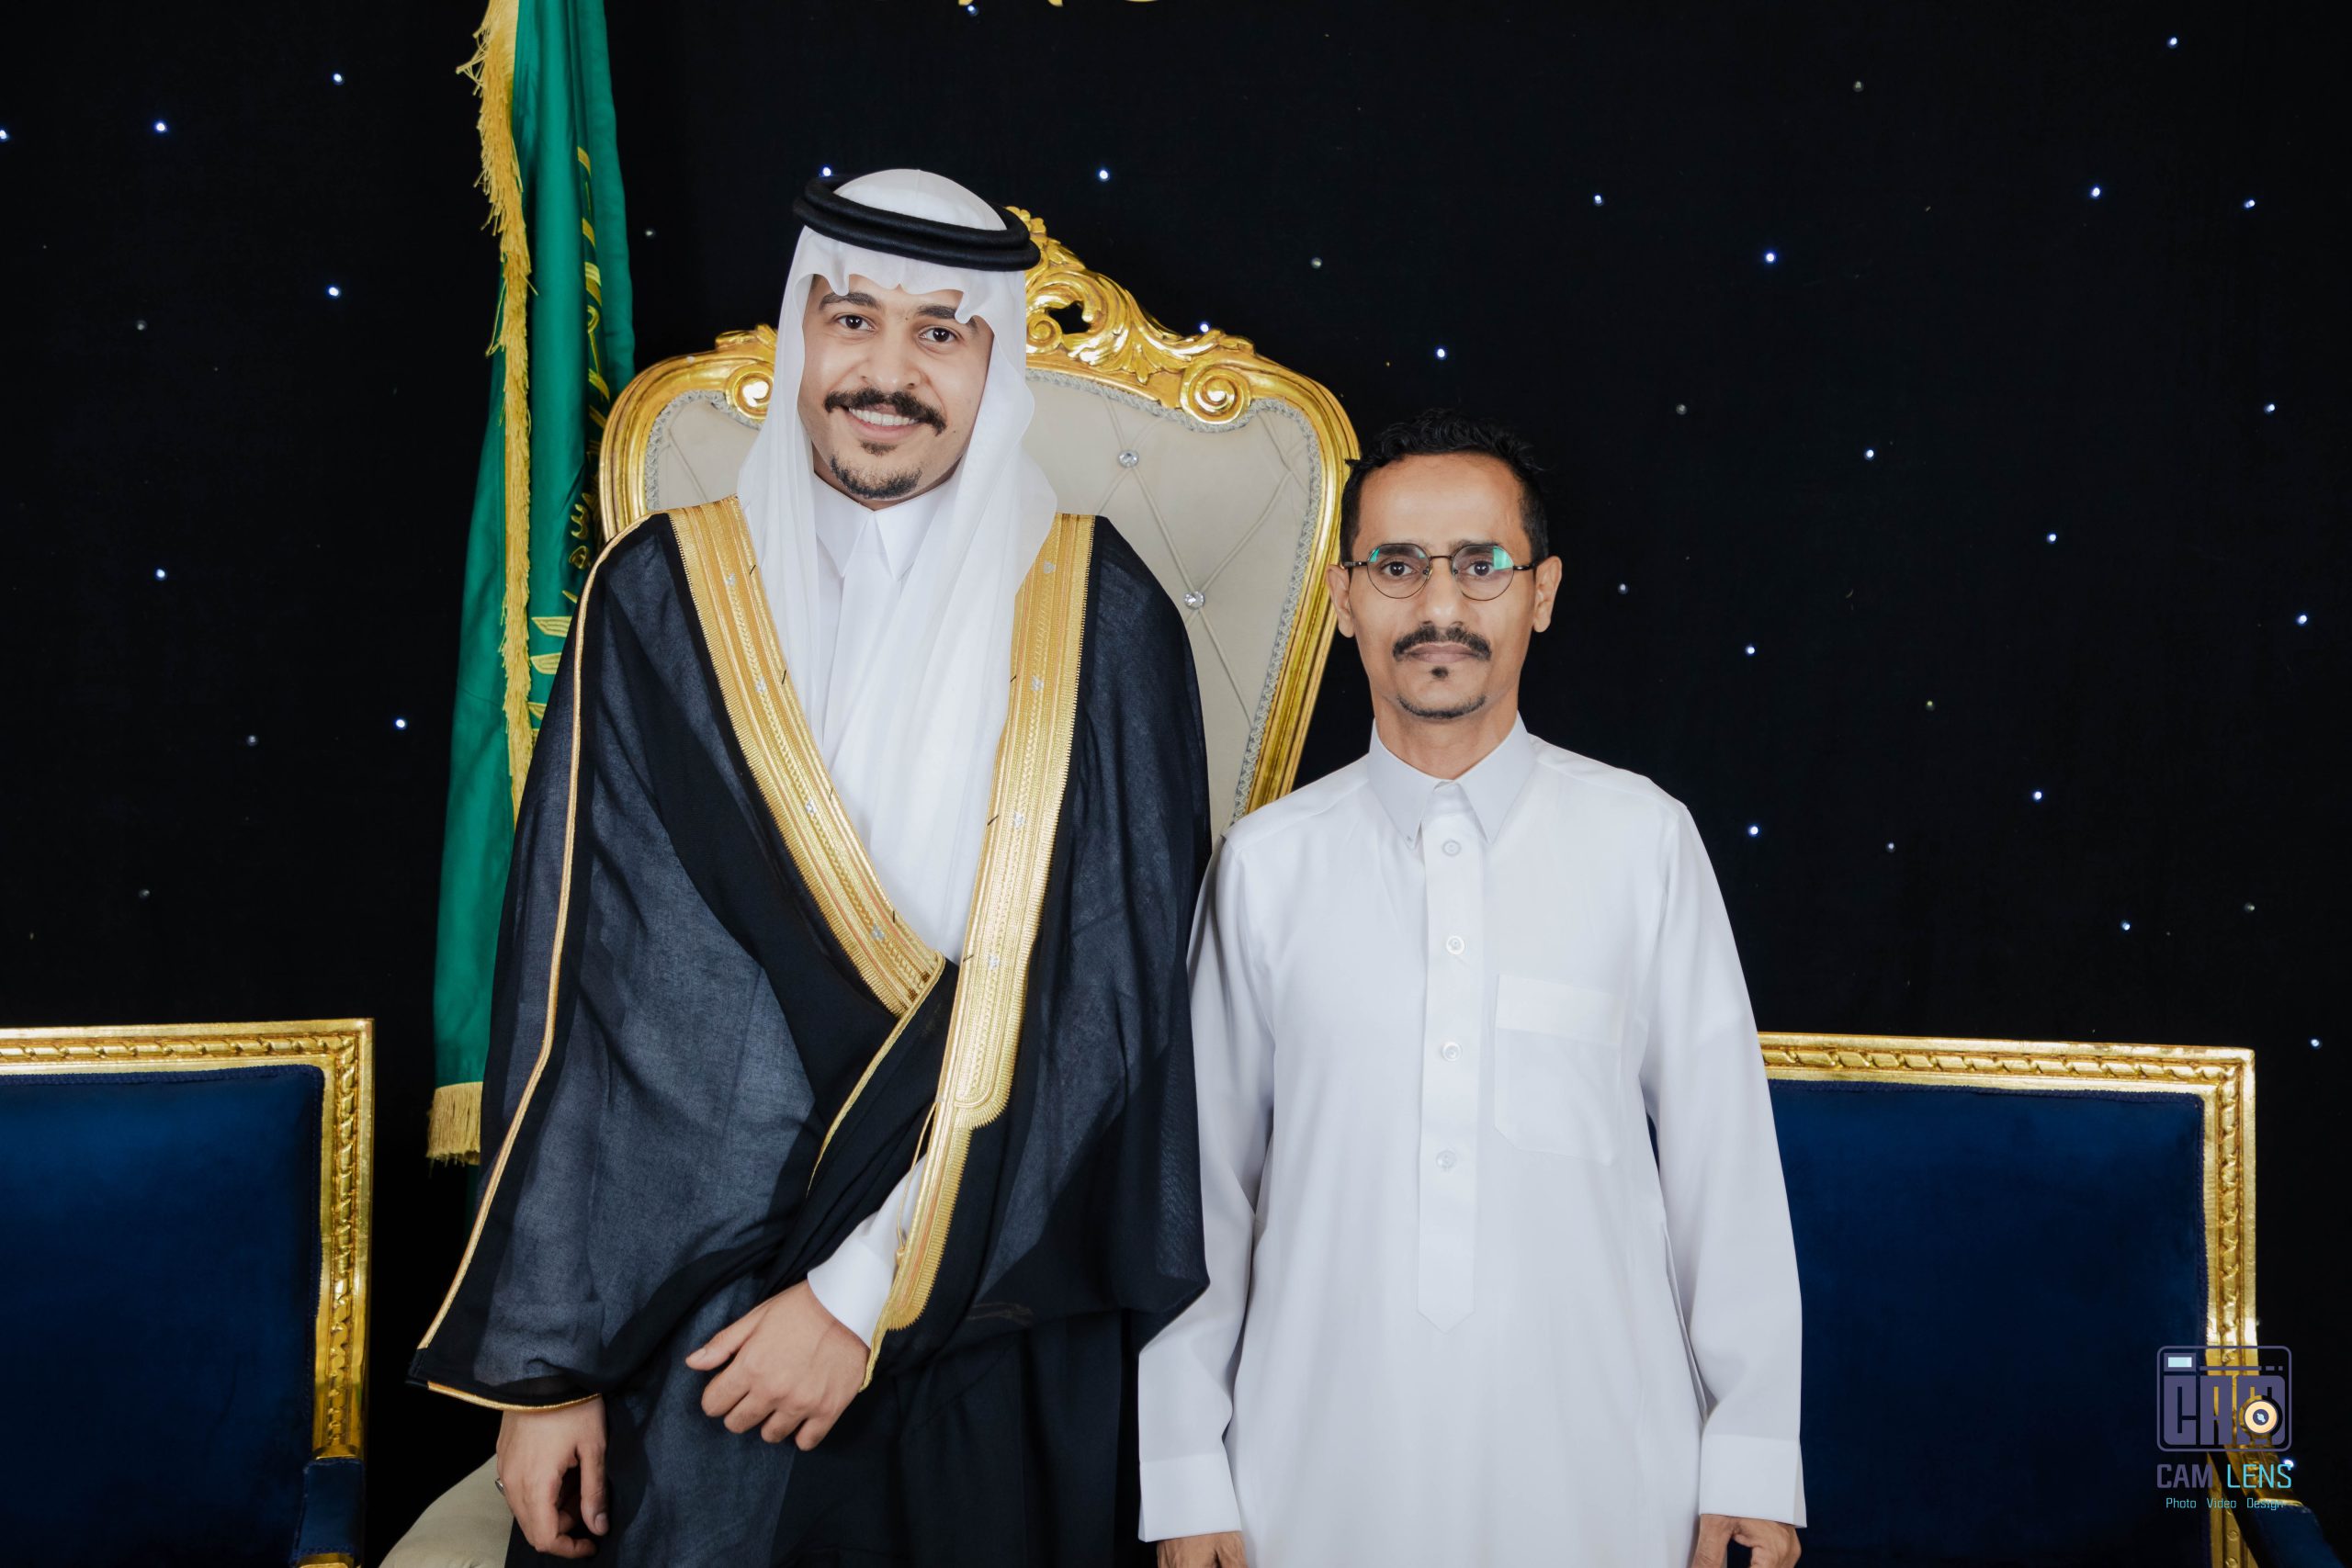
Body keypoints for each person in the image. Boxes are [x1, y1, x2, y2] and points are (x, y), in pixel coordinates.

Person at [413, 169, 1212, 1568]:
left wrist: (863, 1295)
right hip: (694, 1297)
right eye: (853, 319)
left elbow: (1114, 1021)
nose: (886, 372)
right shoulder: (659, 596)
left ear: (996, 364)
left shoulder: (1104, 616)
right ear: (800, 332)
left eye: (939, 332)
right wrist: (552, 1370)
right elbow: (583, 1001)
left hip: (995, 1277)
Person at [1138, 411, 1806, 1567]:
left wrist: (1750, 1455)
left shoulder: (1642, 840)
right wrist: (1186, 1475)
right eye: (1397, 566)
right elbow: (1202, 1200)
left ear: (1541, 593)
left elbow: (1725, 1167)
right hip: (1309, 1473)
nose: (1438, 605)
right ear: (1344, 599)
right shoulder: (1264, 866)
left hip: (1606, 1471)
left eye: (1480, 564)